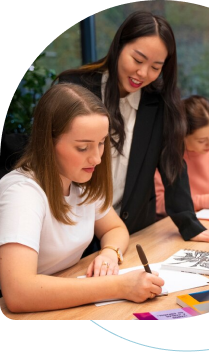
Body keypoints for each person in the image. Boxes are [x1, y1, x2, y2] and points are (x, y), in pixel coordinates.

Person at [54, 11, 209, 245]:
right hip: (72, 231)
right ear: (119, 46)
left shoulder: (159, 102)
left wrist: (190, 225)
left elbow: (172, 163)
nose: (143, 73)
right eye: (138, 60)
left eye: (155, 66)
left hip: (133, 231)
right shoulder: (75, 88)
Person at [0, 83, 164, 313]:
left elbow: (115, 229)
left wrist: (109, 253)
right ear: (48, 143)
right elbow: (19, 292)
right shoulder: (22, 193)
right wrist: (117, 286)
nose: (97, 159)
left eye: (101, 144)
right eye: (83, 148)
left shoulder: (79, 182)